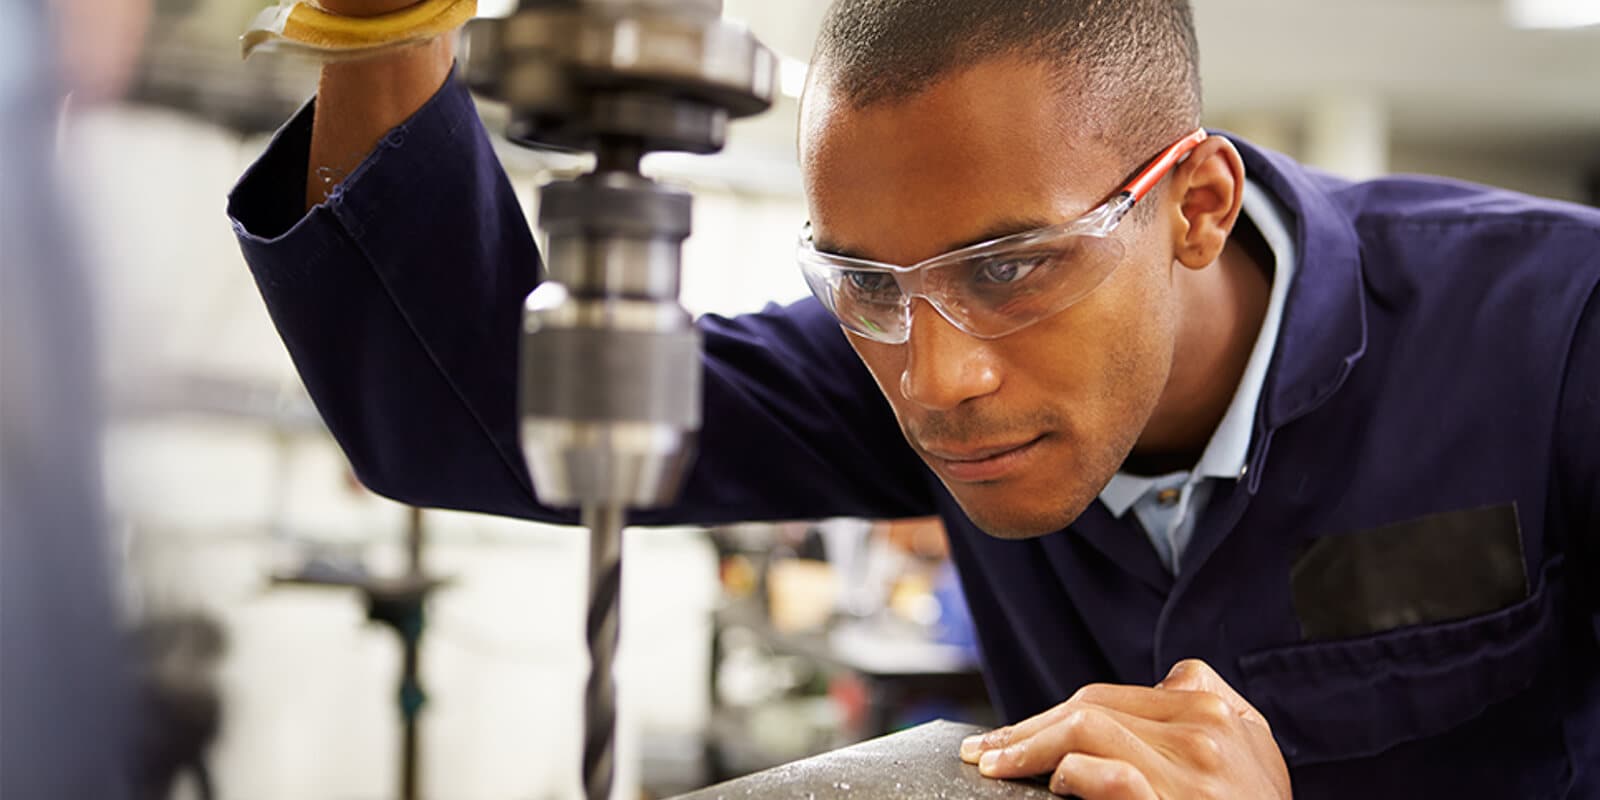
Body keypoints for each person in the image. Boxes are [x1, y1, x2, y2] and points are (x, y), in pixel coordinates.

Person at [227, 0, 1600, 796]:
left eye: (1013, 267)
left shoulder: (1552, 340)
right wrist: (380, 28)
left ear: (1194, 206)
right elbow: (474, 420)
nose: (937, 382)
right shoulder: (903, 360)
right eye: (865, 284)